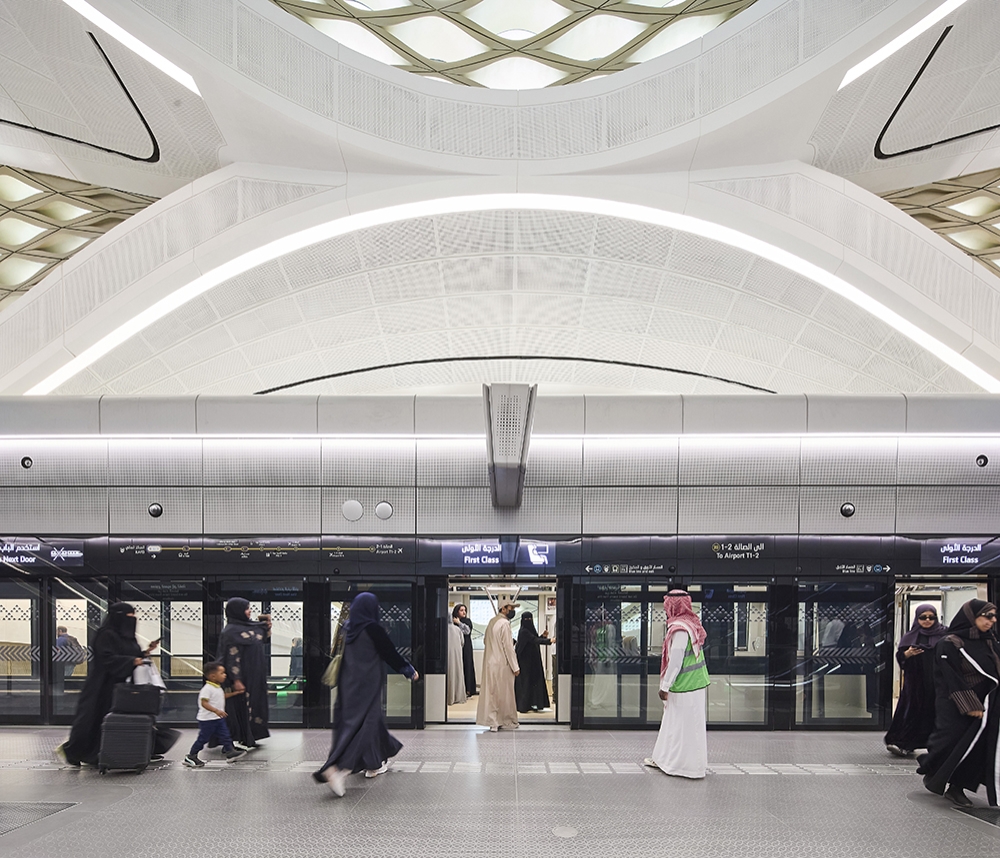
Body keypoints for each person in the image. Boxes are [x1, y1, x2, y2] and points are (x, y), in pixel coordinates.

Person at [313, 592, 418, 796]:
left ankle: (374, 764)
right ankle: (338, 769)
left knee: (360, 724)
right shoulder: (372, 628)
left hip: (348, 686)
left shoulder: (348, 628)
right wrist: (409, 671)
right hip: (367, 686)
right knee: (365, 727)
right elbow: (390, 653)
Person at [55, 602, 159, 766]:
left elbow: (129, 654)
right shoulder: (105, 634)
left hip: (120, 686)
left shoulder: (125, 636)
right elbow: (107, 658)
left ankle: (104, 752)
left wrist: (145, 652)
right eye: (129, 617)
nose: (132, 621)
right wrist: (132, 661)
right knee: (92, 719)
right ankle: (74, 751)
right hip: (101, 686)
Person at [918, 599, 999, 807]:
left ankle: (957, 786)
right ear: (972, 617)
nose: (992, 621)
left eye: (993, 616)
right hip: (954, 703)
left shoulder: (989, 641)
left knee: (976, 747)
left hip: (987, 704)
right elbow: (950, 677)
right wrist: (970, 704)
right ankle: (931, 766)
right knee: (949, 742)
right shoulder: (950, 642)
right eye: (987, 616)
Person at [644, 590, 709, 779]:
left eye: (667, 605)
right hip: (693, 684)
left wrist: (665, 686)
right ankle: (663, 759)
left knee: (683, 727)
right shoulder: (691, 624)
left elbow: (676, 660)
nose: (666, 609)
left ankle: (684, 767)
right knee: (674, 723)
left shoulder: (680, 629)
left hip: (686, 686)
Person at [884, 604, 949, 756]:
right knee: (912, 712)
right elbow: (901, 659)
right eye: (923, 617)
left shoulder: (945, 634)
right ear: (917, 618)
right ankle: (903, 743)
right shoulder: (911, 636)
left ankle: (937, 746)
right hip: (916, 684)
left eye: (931, 617)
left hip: (938, 683)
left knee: (937, 713)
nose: (927, 620)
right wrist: (907, 654)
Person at [217, 598, 270, 751]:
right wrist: (237, 679)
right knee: (237, 707)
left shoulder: (251, 627)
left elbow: (261, 639)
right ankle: (230, 741)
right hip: (240, 677)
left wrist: (267, 628)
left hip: (255, 675)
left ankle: (249, 737)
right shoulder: (230, 631)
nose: (250, 611)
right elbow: (232, 657)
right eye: (247, 609)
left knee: (254, 705)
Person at [183, 661, 246, 767]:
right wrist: (216, 710)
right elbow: (204, 703)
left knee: (225, 735)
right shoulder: (207, 689)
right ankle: (191, 756)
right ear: (213, 676)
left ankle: (230, 752)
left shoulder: (217, 687)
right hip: (207, 719)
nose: (225, 675)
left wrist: (235, 693)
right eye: (222, 673)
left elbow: (221, 697)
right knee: (203, 738)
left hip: (217, 718)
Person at [476, 600, 520, 732]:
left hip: (490, 663)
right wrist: (515, 667)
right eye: (511, 607)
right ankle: (506, 720)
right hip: (502, 664)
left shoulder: (491, 622)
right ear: (503, 609)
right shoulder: (505, 624)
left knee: (491, 693)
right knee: (504, 694)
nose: (512, 610)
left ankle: (493, 722)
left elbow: (485, 641)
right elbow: (508, 647)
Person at [514, 611, 553, 713]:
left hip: (532, 662)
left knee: (533, 682)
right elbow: (534, 640)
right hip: (525, 663)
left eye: (530, 619)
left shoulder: (529, 631)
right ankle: (524, 705)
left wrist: (543, 637)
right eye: (526, 619)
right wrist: (549, 641)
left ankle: (532, 703)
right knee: (526, 683)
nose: (528, 621)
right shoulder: (523, 631)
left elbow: (534, 640)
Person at [454, 604, 477, 696]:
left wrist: (459, 623)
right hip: (456, 646)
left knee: (467, 665)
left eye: (465, 610)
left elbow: (467, 631)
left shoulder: (467, 621)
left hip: (466, 646)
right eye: (461, 610)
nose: (464, 612)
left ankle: (469, 689)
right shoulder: (452, 621)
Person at [53, 625, 83, 695]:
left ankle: (61, 695)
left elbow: (56, 650)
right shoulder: (72, 638)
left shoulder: (61, 640)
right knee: (67, 678)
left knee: (61, 680)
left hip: (63, 663)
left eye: (57, 631)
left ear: (60, 631)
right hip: (72, 662)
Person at [447, 609, 468, 706]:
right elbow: (462, 642)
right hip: (457, 655)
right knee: (457, 674)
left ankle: (448, 697)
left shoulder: (442, 630)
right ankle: (457, 696)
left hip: (447, 657)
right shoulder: (458, 629)